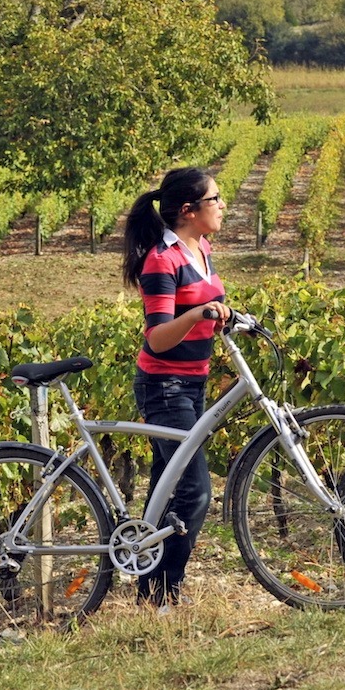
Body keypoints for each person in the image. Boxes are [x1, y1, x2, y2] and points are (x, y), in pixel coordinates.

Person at [121, 167, 230, 607]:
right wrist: (200, 314)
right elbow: (159, 336)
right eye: (215, 199)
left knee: (165, 492)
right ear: (188, 211)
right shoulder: (160, 261)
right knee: (195, 491)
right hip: (164, 387)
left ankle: (150, 587)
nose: (222, 206)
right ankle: (164, 590)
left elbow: (208, 302)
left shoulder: (200, 247)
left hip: (193, 383)